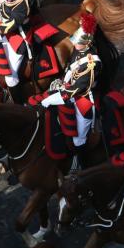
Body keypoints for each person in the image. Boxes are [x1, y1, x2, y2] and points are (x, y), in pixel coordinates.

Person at [37, 13, 101, 164]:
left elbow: (75, 90)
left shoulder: (91, 64)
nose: (74, 44)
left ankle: (78, 162)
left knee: (79, 138)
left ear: (87, 43)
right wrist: (61, 80)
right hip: (69, 87)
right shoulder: (79, 50)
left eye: (78, 42)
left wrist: (49, 100)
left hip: (83, 98)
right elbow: (69, 69)